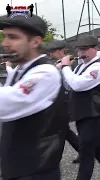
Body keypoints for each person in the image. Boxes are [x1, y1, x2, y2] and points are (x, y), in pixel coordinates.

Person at [0, 14, 67, 180]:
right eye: (5, 36)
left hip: (35, 171)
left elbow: (7, 104)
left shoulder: (46, 73)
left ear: (36, 42)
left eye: (13, 37)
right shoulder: (19, 71)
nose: (5, 43)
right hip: (17, 168)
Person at [58, 35, 100, 180]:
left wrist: (66, 67)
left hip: (94, 115)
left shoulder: (98, 67)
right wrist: (61, 71)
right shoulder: (81, 66)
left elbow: (78, 84)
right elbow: (69, 85)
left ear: (96, 49)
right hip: (83, 114)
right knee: (96, 147)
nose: (81, 53)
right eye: (79, 50)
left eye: (85, 49)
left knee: (86, 151)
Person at [46, 40, 81, 164]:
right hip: (57, 101)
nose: (51, 54)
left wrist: (64, 68)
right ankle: (82, 151)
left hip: (66, 100)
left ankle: (53, 161)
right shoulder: (54, 64)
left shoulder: (71, 63)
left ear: (61, 51)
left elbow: (69, 84)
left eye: (54, 51)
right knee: (64, 130)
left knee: (60, 130)